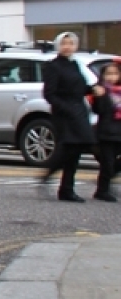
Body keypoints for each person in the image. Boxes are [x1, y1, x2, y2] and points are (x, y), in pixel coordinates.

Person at [40, 31, 96, 202]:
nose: (67, 47)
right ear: (58, 45)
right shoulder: (53, 66)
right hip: (64, 113)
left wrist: (92, 90)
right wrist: (66, 108)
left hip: (79, 110)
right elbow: (49, 93)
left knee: (77, 149)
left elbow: (79, 87)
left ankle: (63, 185)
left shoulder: (75, 64)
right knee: (70, 149)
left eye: (71, 43)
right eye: (64, 43)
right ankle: (61, 184)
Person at [90, 60, 121, 202]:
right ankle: (102, 190)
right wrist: (100, 96)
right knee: (107, 163)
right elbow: (98, 110)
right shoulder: (101, 90)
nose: (111, 77)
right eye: (108, 74)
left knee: (112, 164)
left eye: (115, 73)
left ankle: (105, 182)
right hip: (107, 132)